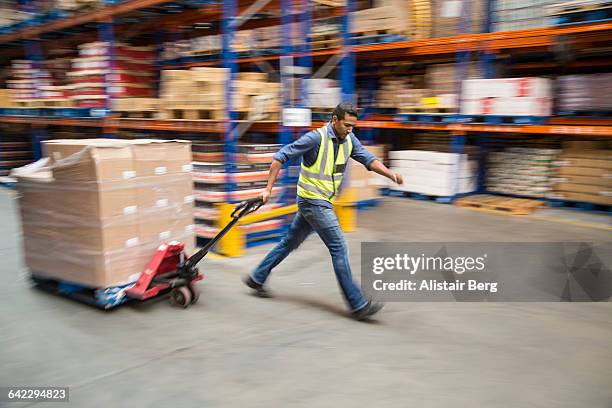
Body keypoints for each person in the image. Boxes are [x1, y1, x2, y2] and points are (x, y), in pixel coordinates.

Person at [244, 102, 403, 320]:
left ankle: (257, 276)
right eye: (347, 125)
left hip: (322, 202)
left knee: (290, 242)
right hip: (313, 202)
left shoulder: (349, 139)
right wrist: (267, 189)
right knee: (339, 246)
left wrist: (390, 174)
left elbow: (368, 159)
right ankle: (358, 305)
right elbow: (279, 157)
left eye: (353, 126)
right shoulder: (315, 139)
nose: (350, 130)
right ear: (334, 120)